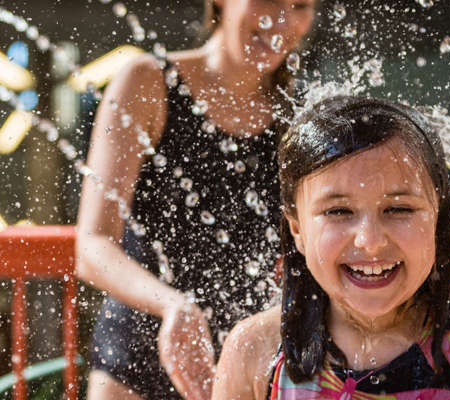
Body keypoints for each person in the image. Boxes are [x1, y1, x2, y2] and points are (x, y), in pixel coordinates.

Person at [75, 0, 316, 398]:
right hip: (136, 361)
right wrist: (175, 306)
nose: (284, 19)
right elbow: (92, 246)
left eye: (301, 5)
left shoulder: (303, 109)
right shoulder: (147, 81)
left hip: (251, 369)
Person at [212, 96, 450, 399]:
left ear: (438, 219)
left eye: (399, 209)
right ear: (297, 230)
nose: (370, 241)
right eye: (338, 212)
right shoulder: (255, 352)